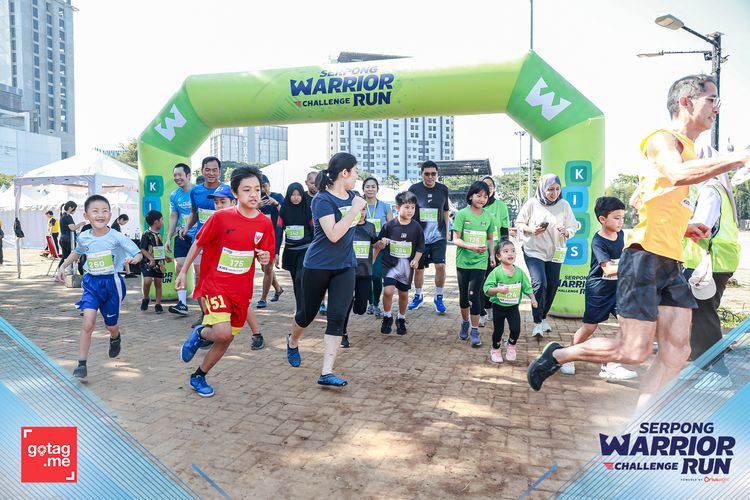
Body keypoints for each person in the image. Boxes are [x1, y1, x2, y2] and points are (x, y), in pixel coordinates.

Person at [527, 74, 750, 412]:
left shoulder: (689, 151)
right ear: (686, 102)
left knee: (677, 352)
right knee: (634, 351)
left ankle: (641, 422)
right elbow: (676, 174)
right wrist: (740, 158)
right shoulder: (663, 139)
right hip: (644, 259)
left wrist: (685, 227)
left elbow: (647, 198)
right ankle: (559, 354)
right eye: (711, 100)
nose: (717, 108)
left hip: (672, 264)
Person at [176, 166, 274, 397]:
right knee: (221, 332)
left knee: (227, 338)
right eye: (247, 190)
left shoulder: (264, 223)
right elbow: (198, 243)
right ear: (235, 193)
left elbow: (266, 254)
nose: (253, 194)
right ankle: (201, 333)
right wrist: (183, 271)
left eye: (257, 189)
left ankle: (198, 376)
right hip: (216, 284)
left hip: (241, 290)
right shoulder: (221, 217)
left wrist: (265, 257)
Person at [285, 153, 365, 387]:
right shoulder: (322, 199)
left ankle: (326, 372)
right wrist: (354, 211)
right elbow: (333, 234)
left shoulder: (354, 196)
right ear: (344, 173)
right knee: (306, 315)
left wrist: (358, 213)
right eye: (355, 171)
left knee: (337, 316)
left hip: (345, 265)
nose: (357, 176)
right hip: (317, 266)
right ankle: (292, 341)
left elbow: (357, 223)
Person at [55, 195, 143, 378]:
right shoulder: (84, 237)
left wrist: (135, 258)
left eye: (104, 211)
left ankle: (115, 336)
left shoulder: (116, 236)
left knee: (111, 325)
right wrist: (62, 266)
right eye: (95, 211)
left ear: (110, 215)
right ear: (86, 215)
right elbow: (77, 253)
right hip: (91, 283)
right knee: (88, 323)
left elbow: (137, 252)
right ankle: (81, 364)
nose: (100, 215)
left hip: (112, 284)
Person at [682, 147, 741, 390]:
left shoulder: (709, 190)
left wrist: (671, 225)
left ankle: (719, 373)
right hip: (714, 261)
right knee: (698, 315)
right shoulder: (717, 189)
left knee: (704, 317)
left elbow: (701, 226)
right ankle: (701, 366)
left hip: (709, 263)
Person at [559, 197, 637, 380]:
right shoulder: (598, 241)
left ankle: (611, 364)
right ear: (603, 219)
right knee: (589, 327)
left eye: (622, 217)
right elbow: (608, 269)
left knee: (629, 323)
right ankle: (567, 356)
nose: (621, 222)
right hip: (598, 291)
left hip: (618, 290)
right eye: (616, 218)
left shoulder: (621, 235)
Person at [515, 174, 577, 337]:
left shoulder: (564, 205)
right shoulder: (532, 203)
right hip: (534, 250)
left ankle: (543, 317)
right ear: (543, 189)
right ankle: (537, 323)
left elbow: (573, 226)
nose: (554, 193)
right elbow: (519, 223)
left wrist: (567, 232)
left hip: (556, 252)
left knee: (553, 285)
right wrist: (531, 230)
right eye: (550, 189)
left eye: (557, 189)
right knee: (540, 284)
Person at [181, 157, 226, 326]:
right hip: (200, 241)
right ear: (202, 171)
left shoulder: (226, 190)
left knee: (218, 279)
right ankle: (205, 314)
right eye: (208, 170)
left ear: (219, 171)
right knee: (200, 277)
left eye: (215, 170)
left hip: (221, 244)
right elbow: (194, 212)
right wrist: (186, 227)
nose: (211, 173)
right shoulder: (195, 191)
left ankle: (220, 313)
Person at [452, 181, 495, 347]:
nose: (482, 199)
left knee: (473, 295)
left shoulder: (488, 216)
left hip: (480, 262)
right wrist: (471, 247)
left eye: (485, 196)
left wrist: (492, 255)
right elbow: (456, 239)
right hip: (463, 262)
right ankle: (465, 323)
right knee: (464, 297)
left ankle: (475, 330)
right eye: (479, 195)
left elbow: (490, 239)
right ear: (471, 196)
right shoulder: (462, 215)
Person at [378, 191, 425, 336]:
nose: (410, 210)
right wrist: (382, 242)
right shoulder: (389, 225)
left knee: (404, 294)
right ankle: (387, 317)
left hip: (406, 267)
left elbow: (420, 246)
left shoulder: (416, 227)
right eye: (407, 207)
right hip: (389, 265)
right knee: (388, 291)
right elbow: (378, 243)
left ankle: (401, 318)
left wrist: (416, 259)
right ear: (397, 208)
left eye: (413, 207)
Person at [408, 160, 451, 314]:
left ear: (437, 174)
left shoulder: (443, 189)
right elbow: (409, 209)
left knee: (440, 266)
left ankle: (439, 297)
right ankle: (418, 296)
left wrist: (447, 232)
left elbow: (445, 211)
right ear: (422, 174)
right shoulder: (414, 189)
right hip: (419, 237)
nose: (430, 177)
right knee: (418, 269)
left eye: (433, 174)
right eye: (427, 174)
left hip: (438, 236)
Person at [483, 240, 536, 363]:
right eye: (506, 251)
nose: (510, 253)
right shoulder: (496, 272)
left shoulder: (519, 272)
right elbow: (487, 290)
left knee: (516, 329)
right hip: (498, 307)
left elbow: (527, 287)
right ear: (498, 256)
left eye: (513, 251)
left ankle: (511, 346)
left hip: (513, 308)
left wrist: (533, 298)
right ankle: (495, 349)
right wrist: (498, 289)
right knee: (498, 331)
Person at [341, 200, 379, 347]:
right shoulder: (346, 226)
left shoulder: (370, 227)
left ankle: (356, 303)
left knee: (361, 309)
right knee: (345, 303)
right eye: (358, 210)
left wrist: (375, 256)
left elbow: (375, 244)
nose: (361, 213)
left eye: (363, 210)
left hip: (365, 272)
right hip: (347, 272)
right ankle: (342, 333)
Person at [279, 182, 314, 316]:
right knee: (295, 280)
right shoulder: (283, 210)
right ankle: (300, 306)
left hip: (305, 250)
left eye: (298, 194)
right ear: (288, 196)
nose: (296, 197)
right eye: (293, 195)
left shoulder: (308, 210)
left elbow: (313, 230)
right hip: (290, 251)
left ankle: (303, 308)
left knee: (300, 278)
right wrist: (276, 252)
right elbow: (278, 231)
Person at [479, 175, 510, 327]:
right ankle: (481, 312)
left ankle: (489, 307)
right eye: (485, 185)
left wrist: (503, 251)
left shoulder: (500, 206)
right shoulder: (476, 205)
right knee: (479, 282)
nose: (488, 188)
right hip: (478, 250)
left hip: (495, 250)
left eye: (490, 185)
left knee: (492, 281)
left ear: (494, 188)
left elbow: (504, 229)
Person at [166, 163, 196, 316]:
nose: (177, 178)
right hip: (183, 236)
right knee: (180, 265)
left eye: (180, 175)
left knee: (200, 271)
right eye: (175, 175)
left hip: (199, 237)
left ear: (188, 175)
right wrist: (168, 237)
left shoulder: (197, 192)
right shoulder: (174, 195)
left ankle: (207, 305)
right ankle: (182, 304)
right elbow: (173, 217)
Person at [362, 176, 393, 317]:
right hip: (362, 247)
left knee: (376, 276)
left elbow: (392, 227)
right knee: (366, 275)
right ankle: (370, 303)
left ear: (377, 189)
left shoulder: (385, 207)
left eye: (373, 186)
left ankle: (376, 303)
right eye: (367, 186)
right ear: (363, 189)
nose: (370, 189)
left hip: (380, 247)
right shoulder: (359, 206)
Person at [257, 175, 284, 309]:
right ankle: (278, 289)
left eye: (264, 186)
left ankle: (263, 299)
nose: (263, 190)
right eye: (260, 187)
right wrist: (256, 207)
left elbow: (286, 214)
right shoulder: (255, 199)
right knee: (264, 267)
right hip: (258, 238)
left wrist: (276, 204)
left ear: (269, 185)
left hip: (273, 238)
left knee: (268, 268)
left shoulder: (278, 197)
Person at [139, 210, 171, 314]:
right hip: (147, 263)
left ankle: (158, 304)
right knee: (147, 281)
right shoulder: (146, 234)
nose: (163, 222)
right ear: (156, 222)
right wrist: (151, 259)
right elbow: (143, 249)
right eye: (162, 220)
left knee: (158, 283)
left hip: (159, 263)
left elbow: (158, 249)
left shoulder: (159, 235)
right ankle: (146, 298)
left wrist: (164, 257)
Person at [58, 201, 86, 270]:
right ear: (71, 208)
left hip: (63, 239)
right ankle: (79, 270)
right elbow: (72, 228)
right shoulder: (68, 216)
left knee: (65, 256)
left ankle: (60, 270)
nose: (75, 210)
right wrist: (81, 224)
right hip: (68, 240)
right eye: (75, 208)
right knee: (76, 254)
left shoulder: (63, 215)